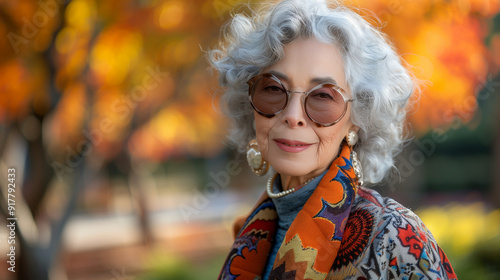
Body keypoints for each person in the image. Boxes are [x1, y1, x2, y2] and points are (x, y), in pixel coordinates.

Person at [209, 0, 457, 279]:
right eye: (273, 89)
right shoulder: (248, 235)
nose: (293, 116)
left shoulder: (394, 236)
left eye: (323, 96)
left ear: (357, 118)